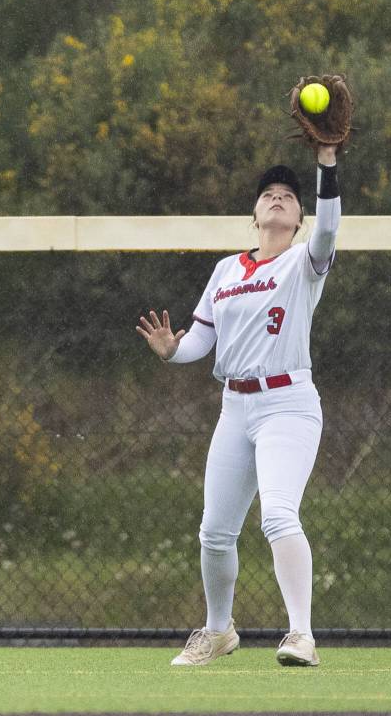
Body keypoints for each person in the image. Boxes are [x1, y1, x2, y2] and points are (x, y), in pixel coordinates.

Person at [136, 144, 342, 667]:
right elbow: (202, 343)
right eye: (268, 195)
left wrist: (327, 164)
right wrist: (173, 352)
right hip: (236, 408)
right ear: (254, 215)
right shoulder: (226, 270)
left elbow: (330, 230)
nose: (277, 199)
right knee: (214, 531)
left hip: (287, 405)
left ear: (298, 219)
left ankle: (301, 635)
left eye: (288, 198)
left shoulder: (303, 262)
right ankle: (218, 630)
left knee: (277, 514)